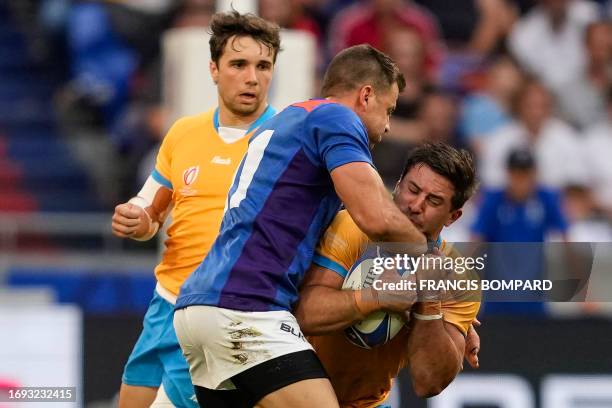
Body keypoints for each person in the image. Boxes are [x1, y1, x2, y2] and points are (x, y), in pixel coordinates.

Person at [174, 44, 427, 408]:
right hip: (248, 306)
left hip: (197, 311)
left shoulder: (285, 121)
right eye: (388, 110)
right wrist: (436, 264)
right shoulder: (337, 119)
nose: (387, 125)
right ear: (366, 96)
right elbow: (376, 218)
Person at [110, 11, 281, 408]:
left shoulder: (287, 140)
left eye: (263, 66)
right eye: (238, 64)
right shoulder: (184, 132)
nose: (252, 77)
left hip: (225, 315)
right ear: (214, 69)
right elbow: (151, 209)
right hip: (165, 303)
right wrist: (136, 218)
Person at [294, 143, 481, 407]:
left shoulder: (459, 280)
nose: (416, 205)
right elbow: (305, 314)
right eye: (413, 190)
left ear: (453, 216)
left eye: (434, 201)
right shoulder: (352, 227)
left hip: (366, 402)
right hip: (293, 392)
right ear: (398, 184)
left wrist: (428, 301)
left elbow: (429, 382)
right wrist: (376, 297)